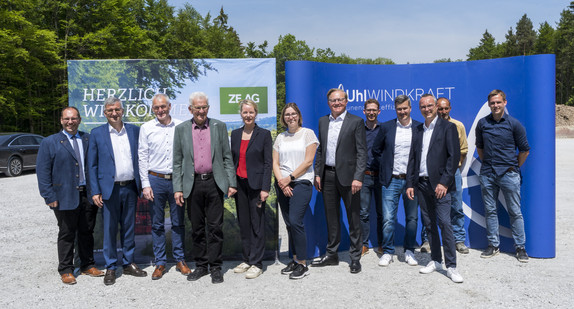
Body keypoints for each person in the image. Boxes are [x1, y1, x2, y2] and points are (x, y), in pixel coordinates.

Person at [173, 91, 237, 284]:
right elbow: (177, 162)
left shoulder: (219, 126)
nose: (201, 111)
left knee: (215, 228)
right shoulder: (182, 129)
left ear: (208, 108)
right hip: (191, 185)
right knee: (197, 228)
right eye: (197, 107)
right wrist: (177, 188)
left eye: (204, 107)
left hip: (214, 183)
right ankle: (201, 266)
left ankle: (216, 267)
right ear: (190, 109)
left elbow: (227, 157)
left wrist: (231, 183)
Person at [36, 106, 103, 285]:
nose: (70, 122)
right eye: (67, 119)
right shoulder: (50, 142)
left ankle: (87, 265)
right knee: (66, 233)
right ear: (61, 120)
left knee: (86, 232)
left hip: (87, 195)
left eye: (74, 118)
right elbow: (43, 172)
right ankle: (65, 269)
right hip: (63, 195)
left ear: (79, 120)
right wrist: (48, 196)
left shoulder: (88, 139)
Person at [88, 96, 146, 285]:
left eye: (117, 110)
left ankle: (129, 263)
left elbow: (142, 157)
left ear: (122, 111)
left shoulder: (134, 131)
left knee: (129, 227)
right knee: (110, 229)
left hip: (130, 187)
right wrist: (95, 191)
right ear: (105, 113)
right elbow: (92, 166)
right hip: (109, 190)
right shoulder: (96, 134)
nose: (114, 113)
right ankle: (111, 266)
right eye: (110, 111)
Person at [406, 94, 463, 283]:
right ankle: (436, 260)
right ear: (419, 109)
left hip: (441, 186)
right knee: (429, 224)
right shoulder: (418, 129)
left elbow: (453, 157)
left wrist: (444, 182)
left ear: (436, 107)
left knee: (445, 224)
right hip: (421, 184)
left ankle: (452, 266)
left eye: (430, 105)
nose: (426, 109)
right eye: (422, 106)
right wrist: (410, 184)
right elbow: (412, 159)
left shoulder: (448, 128)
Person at [312, 88, 367, 274]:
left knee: (353, 218)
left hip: (350, 178)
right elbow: (321, 150)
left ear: (346, 101)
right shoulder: (322, 121)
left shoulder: (356, 122)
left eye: (340, 100)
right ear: (328, 102)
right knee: (332, 218)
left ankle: (355, 258)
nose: (336, 103)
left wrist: (358, 177)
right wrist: (317, 173)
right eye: (333, 100)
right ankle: (332, 255)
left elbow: (362, 152)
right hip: (327, 176)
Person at [138, 94, 190, 280]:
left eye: (163, 107)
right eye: (156, 108)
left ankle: (180, 259)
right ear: (153, 109)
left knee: (178, 222)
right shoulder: (146, 128)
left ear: (169, 107)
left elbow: (187, 155)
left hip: (177, 181)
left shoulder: (181, 126)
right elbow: (142, 157)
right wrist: (145, 184)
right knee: (157, 224)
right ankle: (160, 262)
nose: (160, 110)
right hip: (155, 180)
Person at [476, 89, 530, 263]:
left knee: (515, 211)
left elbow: (524, 150)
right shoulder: (482, 124)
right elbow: (480, 148)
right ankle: (493, 245)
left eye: (498, 102)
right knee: (490, 211)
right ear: (489, 105)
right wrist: (490, 165)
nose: (495, 105)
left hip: (509, 174)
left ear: (505, 103)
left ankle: (520, 247)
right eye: (492, 103)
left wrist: (512, 167)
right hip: (488, 174)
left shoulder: (514, 124)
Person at [372, 95, 421, 267]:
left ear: (410, 108)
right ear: (395, 109)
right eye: (399, 109)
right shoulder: (386, 127)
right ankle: (388, 251)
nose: (402, 112)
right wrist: (385, 166)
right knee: (388, 218)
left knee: (412, 218)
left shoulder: (419, 127)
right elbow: (376, 149)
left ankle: (409, 251)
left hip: (411, 182)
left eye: (405, 108)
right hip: (390, 180)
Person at [273, 103, 318, 280]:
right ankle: (294, 259)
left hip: (301, 183)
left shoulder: (308, 134)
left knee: (295, 221)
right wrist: (282, 183)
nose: (290, 117)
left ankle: (302, 263)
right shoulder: (280, 138)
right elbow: (275, 163)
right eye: (287, 114)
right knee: (289, 224)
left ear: (298, 115)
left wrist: (289, 179)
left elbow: (308, 162)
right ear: (283, 118)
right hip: (283, 184)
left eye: (293, 114)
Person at [230, 99, 272, 279]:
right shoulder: (236, 134)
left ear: (256, 114)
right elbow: (232, 161)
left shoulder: (264, 134)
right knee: (244, 224)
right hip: (240, 186)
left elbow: (268, 163)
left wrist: (265, 188)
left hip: (257, 187)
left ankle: (257, 263)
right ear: (241, 114)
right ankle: (247, 259)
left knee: (257, 225)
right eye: (245, 112)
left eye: (251, 112)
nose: (248, 115)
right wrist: (231, 184)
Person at [437, 97, 469, 254]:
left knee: (456, 205)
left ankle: (459, 239)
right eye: (440, 109)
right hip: (434, 172)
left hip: (453, 172)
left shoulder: (458, 126)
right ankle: (428, 240)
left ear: (450, 108)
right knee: (429, 207)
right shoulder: (431, 125)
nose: (443, 112)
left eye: (445, 109)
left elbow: (463, 150)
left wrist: (454, 167)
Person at [359, 99, 384, 256]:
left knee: (382, 213)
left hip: (381, 177)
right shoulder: (358, 130)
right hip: (364, 176)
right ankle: (364, 244)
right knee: (363, 213)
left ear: (379, 112)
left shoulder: (384, 130)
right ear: (364, 111)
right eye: (368, 110)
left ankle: (382, 244)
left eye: (374, 110)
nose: (371, 112)